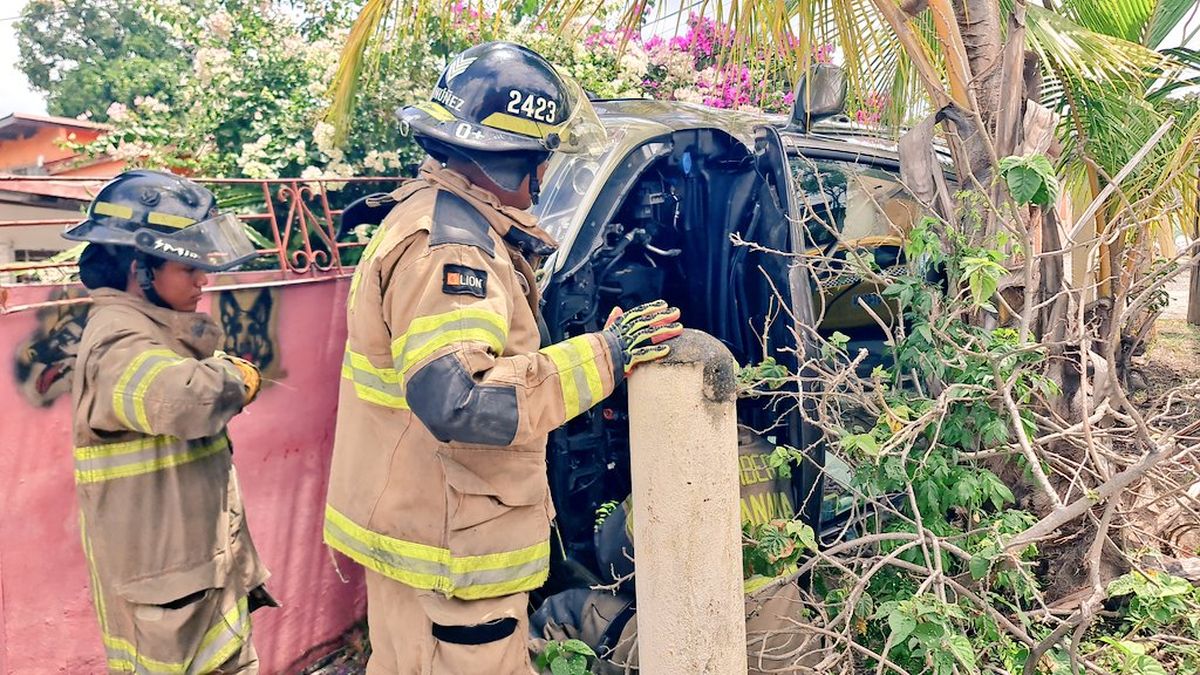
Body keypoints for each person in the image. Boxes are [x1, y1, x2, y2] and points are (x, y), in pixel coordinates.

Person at [323, 41, 684, 675]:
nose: (545, 172)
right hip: (450, 555)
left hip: (433, 539)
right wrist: (606, 355)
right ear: (513, 159)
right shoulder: (453, 248)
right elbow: (461, 399)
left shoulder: (439, 220)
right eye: (542, 154)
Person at [65, 170, 276, 673]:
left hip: (194, 581)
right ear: (139, 269)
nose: (203, 280)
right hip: (169, 600)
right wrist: (237, 374)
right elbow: (187, 401)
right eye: (188, 268)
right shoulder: (117, 338)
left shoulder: (152, 328)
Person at [530, 429, 816, 674]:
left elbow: (612, 561)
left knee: (561, 612)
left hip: (711, 653)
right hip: (791, 645)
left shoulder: (676, 460)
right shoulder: (772, 453)